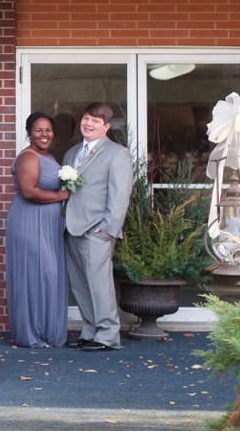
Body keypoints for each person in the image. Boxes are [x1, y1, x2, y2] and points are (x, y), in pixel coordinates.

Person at [62, 102, 134, 352]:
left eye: (95, 120)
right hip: (71, 228)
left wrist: (107, 229)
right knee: (80, 284)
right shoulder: (72, 153)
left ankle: (107, 335)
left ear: (106, 127)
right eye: (86, 118)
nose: (88, 124)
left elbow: (120, 195)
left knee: (99, 283)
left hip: (97, 230)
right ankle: (90, 330)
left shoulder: (117, 153)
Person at [5, 111, 71, 348]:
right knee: (36, 273)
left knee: (48, 274)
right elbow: (28, 191)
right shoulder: (29, 157)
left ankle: (46, 331)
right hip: (30, 222)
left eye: (48, 130)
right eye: (38, 130)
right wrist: (60, 195)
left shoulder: (49, 156)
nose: (44, 134)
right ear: (29, 133)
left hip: (48, 225)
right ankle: (32, 332)